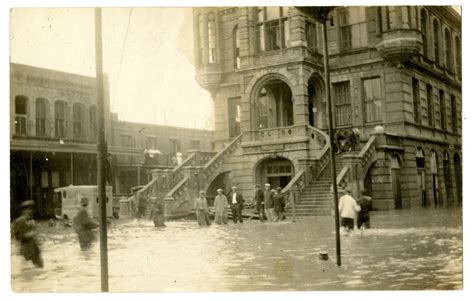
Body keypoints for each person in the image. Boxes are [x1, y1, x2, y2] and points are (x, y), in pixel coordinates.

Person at [12, 200, 44, 268]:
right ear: (24, 210)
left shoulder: (31, 220)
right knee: (36, 267)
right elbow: (16, 236)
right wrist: (27, 235)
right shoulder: (18, 221)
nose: (31, 210)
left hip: (33, 247)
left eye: (31, 209)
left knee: (38, 267)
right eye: (29, 209)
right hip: (26, 247)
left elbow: (35, 233)